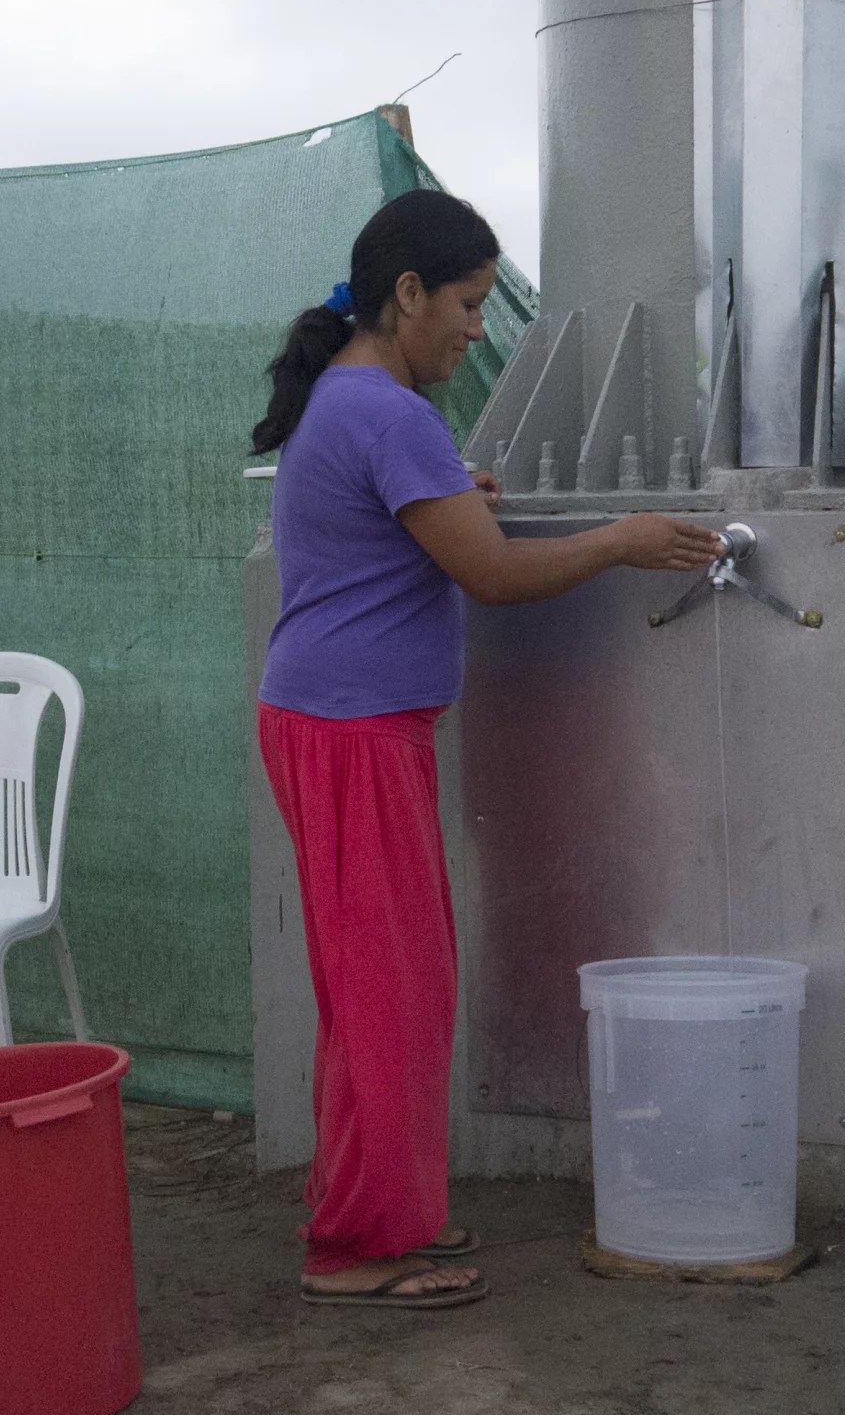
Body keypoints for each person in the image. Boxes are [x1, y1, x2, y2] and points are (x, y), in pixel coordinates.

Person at [256, 189, 724, 1310]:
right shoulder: (391, 414)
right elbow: (495, 574)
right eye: (466, 304)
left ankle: (379, 1208)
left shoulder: (356, 401)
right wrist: (626, 537)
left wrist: (451, 497)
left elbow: (403, 529)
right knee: (389, 991)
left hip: (338, 723)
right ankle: (356, 1244)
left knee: (378, 982)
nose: (478, 327)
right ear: (406, 294)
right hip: (353, 732)